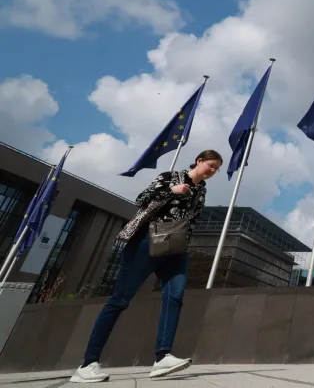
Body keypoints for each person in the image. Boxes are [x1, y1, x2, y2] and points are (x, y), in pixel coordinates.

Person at [70, 150, 222, 383]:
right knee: (119, 301)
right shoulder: (170, 177)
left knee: (175, 297)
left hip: (176, 248)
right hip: (147, 242)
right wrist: (170, 191)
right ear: (199, 161)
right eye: (211, 165)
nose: (213, 171)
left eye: (217, 169)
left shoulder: (201, 190)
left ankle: (163, 357)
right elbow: (141, 198)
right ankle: (88, 363)